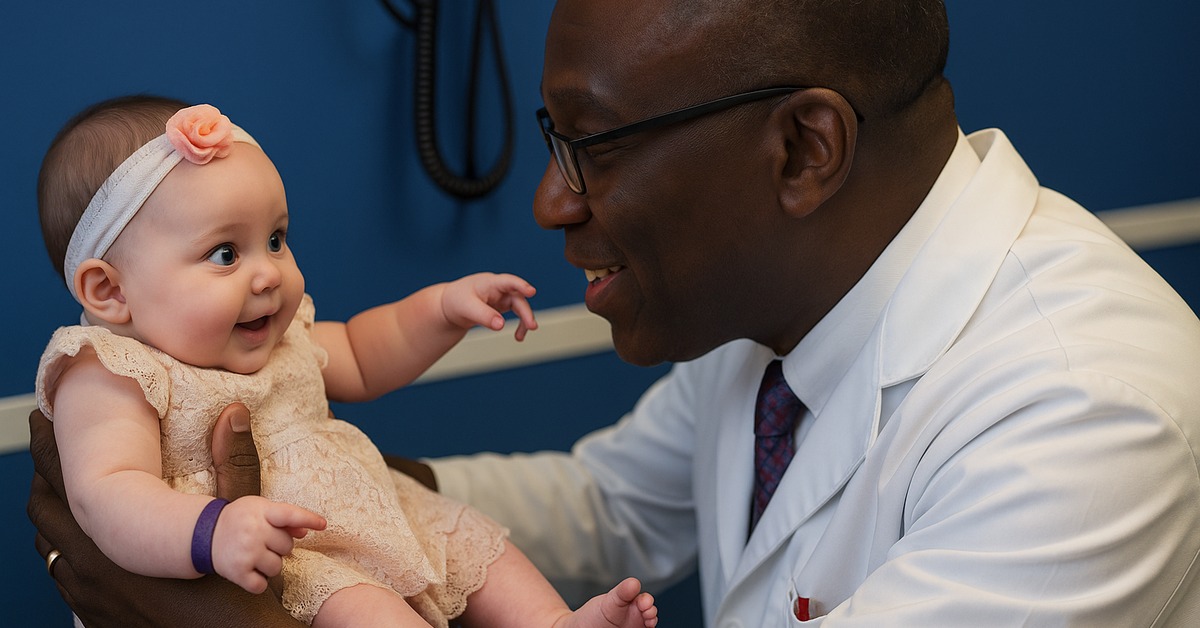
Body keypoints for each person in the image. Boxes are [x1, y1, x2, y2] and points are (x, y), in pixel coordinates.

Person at [29, 0, 1200, 625]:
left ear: (803, 148)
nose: (548, 201)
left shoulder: (1088, 409)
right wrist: (304, 502)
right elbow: (607, 508)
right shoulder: (800, 294)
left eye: (590, 146)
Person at [29, 95, 658, 628]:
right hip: (293, 554)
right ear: (108, 292)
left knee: (478, 544)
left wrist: (440, 310)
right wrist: (209, 532)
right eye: (225, 253)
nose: (268, 273)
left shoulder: (279, 339)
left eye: (276, 239)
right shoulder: (108, 370)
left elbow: (360, 351)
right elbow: (106, 494)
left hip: (380, 509)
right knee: (370, 611)